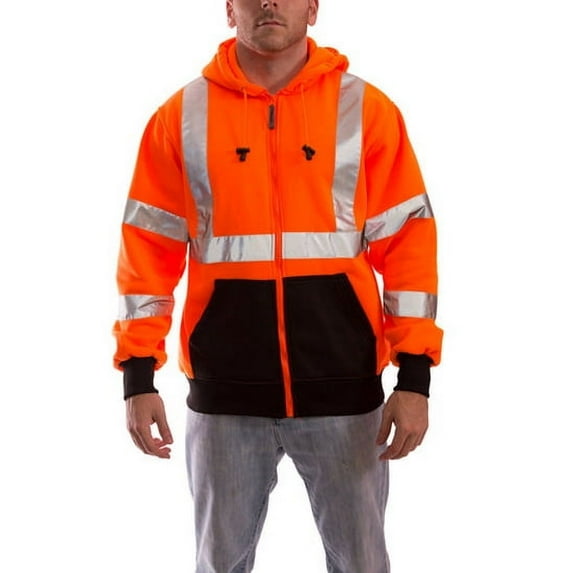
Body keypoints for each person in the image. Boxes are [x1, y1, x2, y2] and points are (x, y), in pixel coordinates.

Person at [113, 0, 443, 571]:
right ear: (229, 9)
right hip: (223, 397)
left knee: (363, 564)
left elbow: (409, 247)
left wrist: (415, 378)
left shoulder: (366, 110)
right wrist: (138, 376)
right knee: (220, 564)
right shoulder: (182, 117)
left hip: (346, 392)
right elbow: (146, 251)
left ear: (312, 8)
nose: (268, 1)